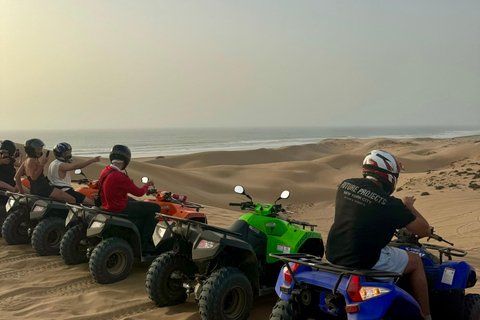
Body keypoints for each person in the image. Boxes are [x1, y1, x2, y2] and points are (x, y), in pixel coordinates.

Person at [326, 150, 432, 320]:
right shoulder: (391, 204)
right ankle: (426, 316)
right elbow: (425, 230)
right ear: (389, 175)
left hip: (333, 254)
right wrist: (408, 206)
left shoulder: (345, 185)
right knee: (416, 261)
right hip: (364, 259)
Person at [98, 145, 159, 253]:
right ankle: (145, 244)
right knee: (155, 208)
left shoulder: (106, 170)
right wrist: (148, 185)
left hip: (107, 204)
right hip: (119, 207)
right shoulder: (120, 176)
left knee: (138, 204)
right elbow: (139, 193)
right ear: (125, 161)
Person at [15, 139, 75, 203]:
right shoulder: (31, 160)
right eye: (38, 149)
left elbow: (17, 176)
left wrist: (21, 191)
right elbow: (34, 177)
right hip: (42, 188)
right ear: (31, 150)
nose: (40, 151)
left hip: (36, 188)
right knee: (71, 199)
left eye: (41, 149)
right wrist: (42, 164)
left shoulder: (27, 161)